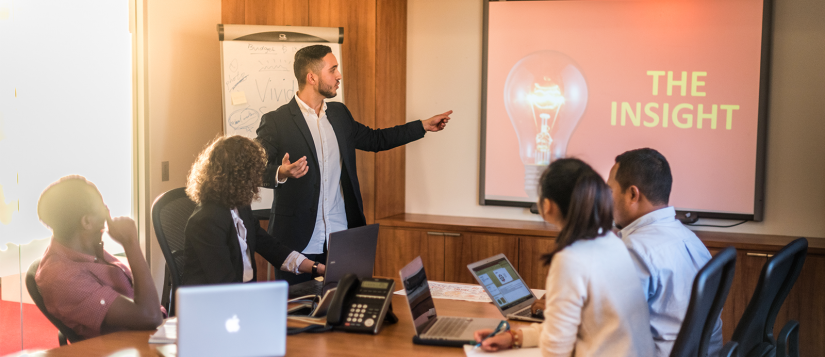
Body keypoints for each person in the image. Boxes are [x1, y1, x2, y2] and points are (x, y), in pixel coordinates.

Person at [255, 45, 452, 284]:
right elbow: (251, 169)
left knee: (344, 312)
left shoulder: (339, 114)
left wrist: (422, 126)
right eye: (333, 69)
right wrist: (280, 172)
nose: (339, 75)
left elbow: (376, 139)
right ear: (312, 77)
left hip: (342, 238)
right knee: (298, 316)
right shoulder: (277, 121)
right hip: (296, 243)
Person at [474, 158, 654, 356]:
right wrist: (513, 338)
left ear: (547, 206)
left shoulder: (571, 259)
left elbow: (556, 350)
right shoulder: (611, 242)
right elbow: (563, 328)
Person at [606, 148, 723, 356]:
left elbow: (609, 331)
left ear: (632, 194)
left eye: (610, 192)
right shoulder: (690, 239)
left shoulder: (635, 250)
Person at [181, 135, 325, 286]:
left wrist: (317, 268)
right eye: (254, 173)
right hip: (214, 304)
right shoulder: (206, 221)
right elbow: (223, 283)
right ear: (238, 177)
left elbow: (272, 248)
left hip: (243, 297)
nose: (257, 179)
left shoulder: (240, 208)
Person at [35, 176, 164, 339]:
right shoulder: (63, 278)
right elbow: (150, 317)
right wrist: (131, 244)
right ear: (87, 222)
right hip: (130, 346)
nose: (107, 211)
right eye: (102, 206)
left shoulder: (87, 248)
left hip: (153, 334)